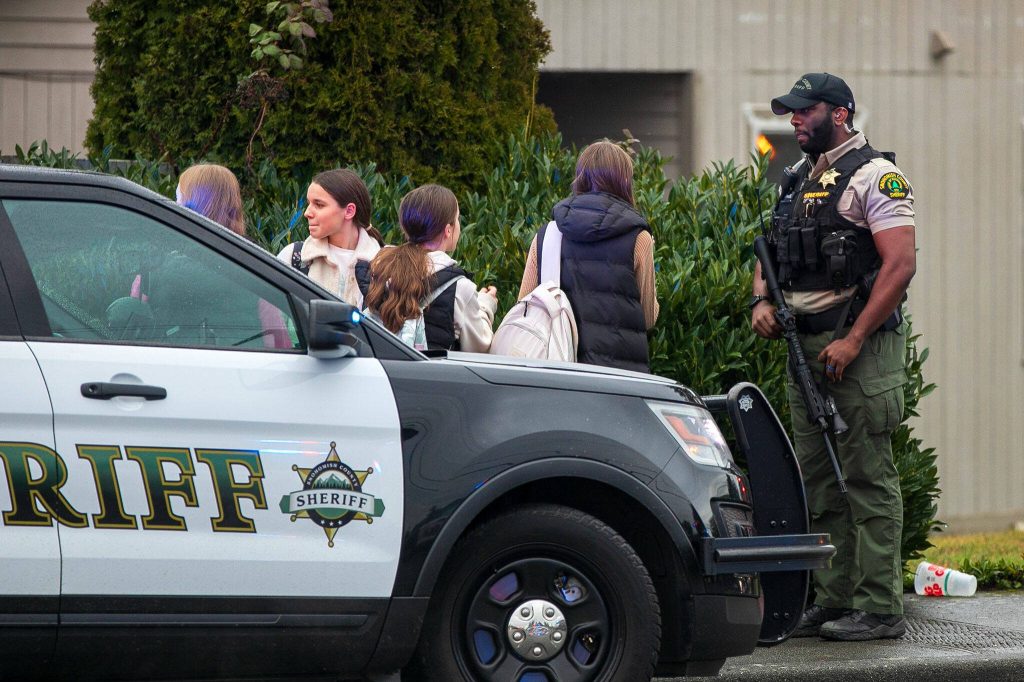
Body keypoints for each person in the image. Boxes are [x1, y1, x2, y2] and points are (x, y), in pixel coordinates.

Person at [751, 73, 917, 641]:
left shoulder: (878, 177)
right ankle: (836, 597)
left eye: (805, 110)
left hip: (858, 346)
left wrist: (855, 339)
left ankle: (880, 607)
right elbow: (769, 247)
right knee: (819, 479)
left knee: (868, 475)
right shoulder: (796, 178)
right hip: (806, 348)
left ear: (840, 113)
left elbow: (900, 265)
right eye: (790, 112)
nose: (794, 120)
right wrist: (761, 300)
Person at [516, 140, 659, 373]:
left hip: (559, 371)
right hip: (620, 374)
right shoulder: (638, 238)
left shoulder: (548, 235)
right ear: (625, 182)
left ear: (580, 178)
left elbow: (525, 305)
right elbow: (648, 317)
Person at [363, 184, 497, 352]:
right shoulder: (460, 287)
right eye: (457, 219)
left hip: (381, 369)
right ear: (448, 230)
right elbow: (479, 347)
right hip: (431, 376)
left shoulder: (380, 266)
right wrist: (486, 306)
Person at [277, 169, 383, 307]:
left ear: (349, 211)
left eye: (319, 205)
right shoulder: (294, 258)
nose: (307, 213)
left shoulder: (386, 265)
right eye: (309, 203)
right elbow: (268, 311)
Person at [176, 163, 246, 236]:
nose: (176, 204)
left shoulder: (189, 240)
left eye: (179, 199)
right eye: (177, 198)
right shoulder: (243, 245)